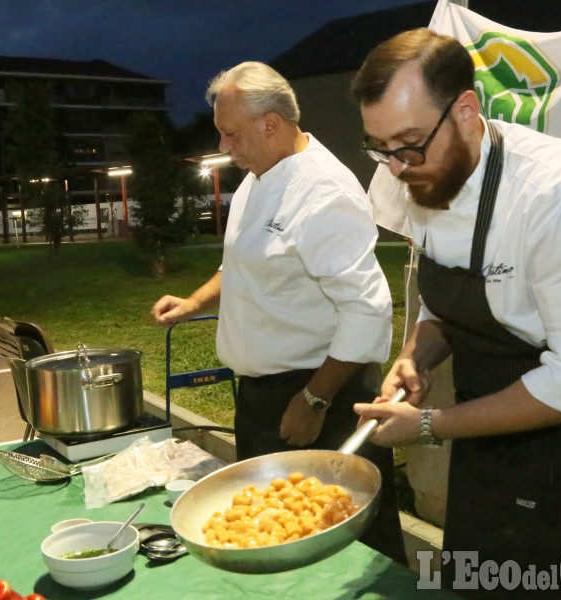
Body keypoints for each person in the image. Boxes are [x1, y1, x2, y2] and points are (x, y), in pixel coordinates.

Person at [350, 29, 561, 598]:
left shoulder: (560, 196)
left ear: (465, 111)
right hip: (484, 437)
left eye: (409, 144)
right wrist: (415, 356)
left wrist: (431, 425)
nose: (394, 168)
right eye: (378, 147)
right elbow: (444, 299)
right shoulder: (410, 172)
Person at [151, 62, 406, 565]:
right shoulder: (259, 174)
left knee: (348, 546)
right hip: (265, 397)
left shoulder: (323, 193)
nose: (224, 147)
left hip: (321, 394)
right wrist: (196, 302)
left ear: (270, 124)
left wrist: (314, 399)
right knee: (272, 537)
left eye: (230, 134)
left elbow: (366, 310)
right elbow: (242, 263)